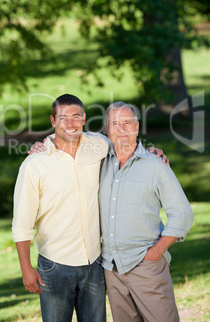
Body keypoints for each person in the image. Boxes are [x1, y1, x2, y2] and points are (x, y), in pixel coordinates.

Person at [13, 94, 167, 322]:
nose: (70, 123)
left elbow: (126, 145)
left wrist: (152, 152)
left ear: (84, 118)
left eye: (76, 117)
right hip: (55, 265)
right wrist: (26, 268)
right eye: (63, 118)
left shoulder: (98, 145)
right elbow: (22, 224)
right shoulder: (35, 164)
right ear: (53, 121)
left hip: (94, 263)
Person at [99, 101, 194, 322]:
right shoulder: (99, 163)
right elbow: (68, 138)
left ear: (137, 127)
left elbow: (183, 214)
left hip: (146, 265)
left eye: (127, 123)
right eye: (115, 124)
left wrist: (156, 252)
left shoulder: (155, 165)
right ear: (107, 130)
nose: (121, 129)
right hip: (111, 268)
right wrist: (42, 144)